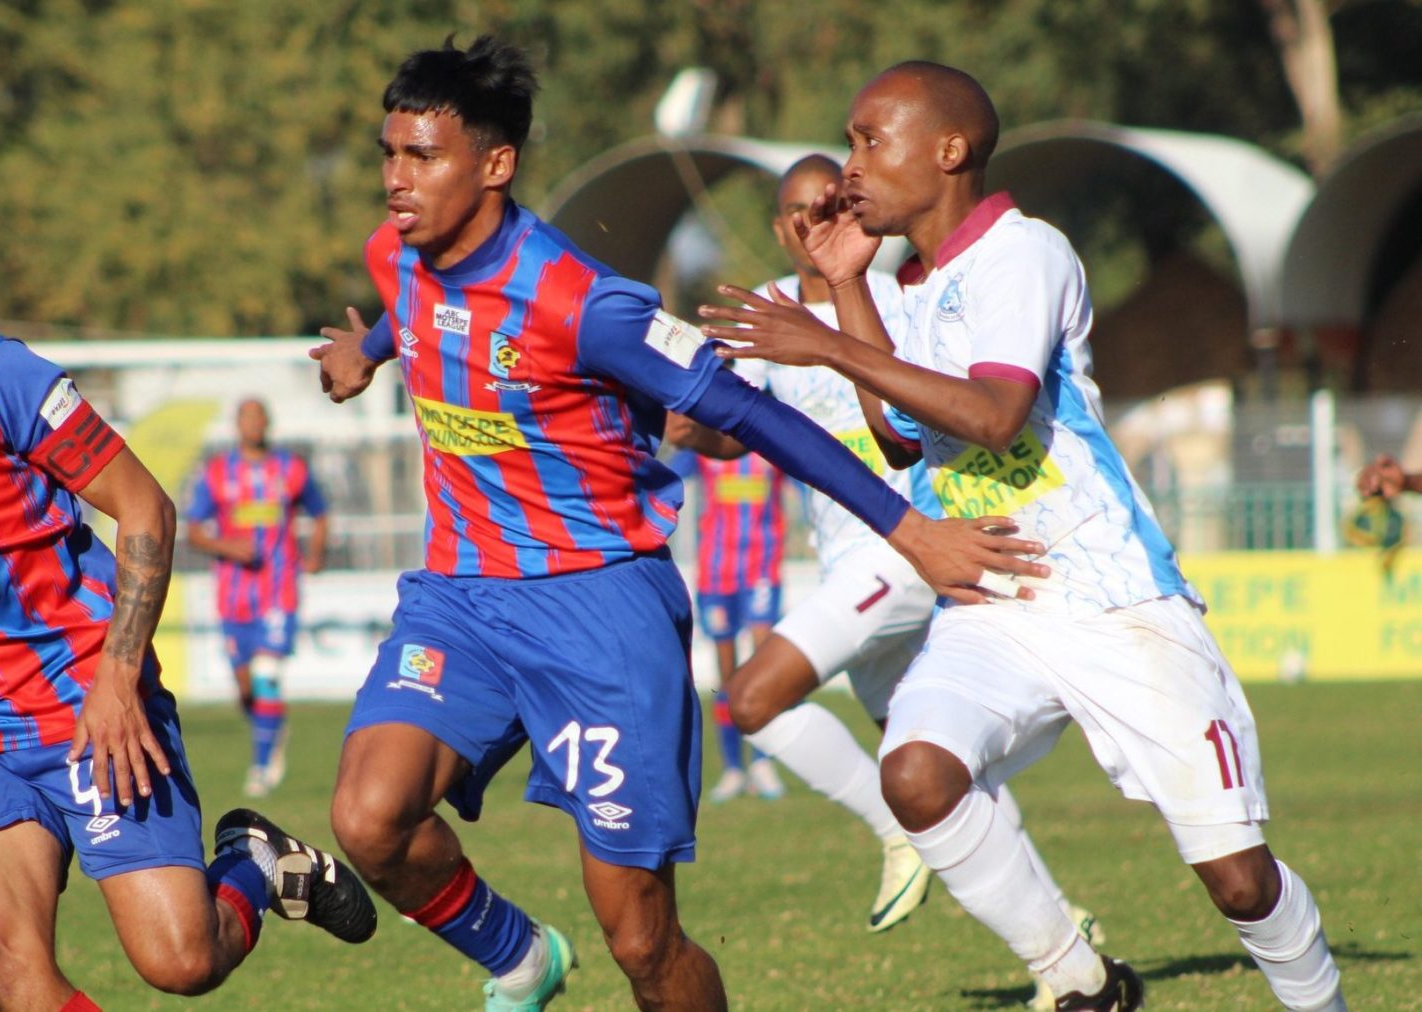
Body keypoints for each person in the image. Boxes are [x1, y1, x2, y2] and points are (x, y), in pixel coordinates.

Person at [310, 37, 1047, 1012]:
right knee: (369, 820)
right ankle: (521, 956)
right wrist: (365, 355)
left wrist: (909, 530)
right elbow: (411, 312)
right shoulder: (392, 252)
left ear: (495, 165)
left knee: (642, 938)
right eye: (389, 153)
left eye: (423, 157)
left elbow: (749, 413)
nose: (397, 181)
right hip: (461, 599)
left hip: (600, 608)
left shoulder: (584, 300)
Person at [702, 62, 1344, 1012]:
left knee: (1240, 882)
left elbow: (998, 415)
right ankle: (1081, 982)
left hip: (1111, 602)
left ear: (949, 150)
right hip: (992, 601)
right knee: (915, 777)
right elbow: (895, 435)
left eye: (870, 141)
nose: (849, 168)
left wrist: (833, 344)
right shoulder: (907, 279)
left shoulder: (1023, 252)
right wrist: (845, 293)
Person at [0, 152, 375, 1009]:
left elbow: (146, 510)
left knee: (181, 962)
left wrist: (119, 676)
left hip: (90, 704)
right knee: (3, 963)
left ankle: (250, 864)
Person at [676, 158, 1105, 1010]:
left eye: (829, 205)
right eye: (796, 212)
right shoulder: (771, 311)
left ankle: (890, 833)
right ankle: (1066, 943)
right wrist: (686, 426)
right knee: (943, 776)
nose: (812, 223)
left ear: (855, 210)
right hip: (849, 560)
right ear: (777, 226)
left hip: (907, 544)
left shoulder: (900, 296)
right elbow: (738, 428)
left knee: (753, 697)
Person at [184, 398, 329, 798]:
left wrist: (316, 553)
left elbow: (320, 512)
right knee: (247, 687)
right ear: (237, 424)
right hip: (233, 597)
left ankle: (261, 767)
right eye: (245, 417)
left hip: (278, 592)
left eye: (258, 416)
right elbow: (194, 530)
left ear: (268, 422)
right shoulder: (217, 474)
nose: (253, 424)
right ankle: (272, 727)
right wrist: (227, 547)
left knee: (267, 675)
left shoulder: (291, 470)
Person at [665, 446, 786, 803]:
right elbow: (668, 476)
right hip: (717, 572)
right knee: (726, 673)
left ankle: (763, 762)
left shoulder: (771, 443)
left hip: (763, 567)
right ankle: (734, 768)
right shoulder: (705, 445)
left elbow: (812, 478)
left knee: (764, 664)